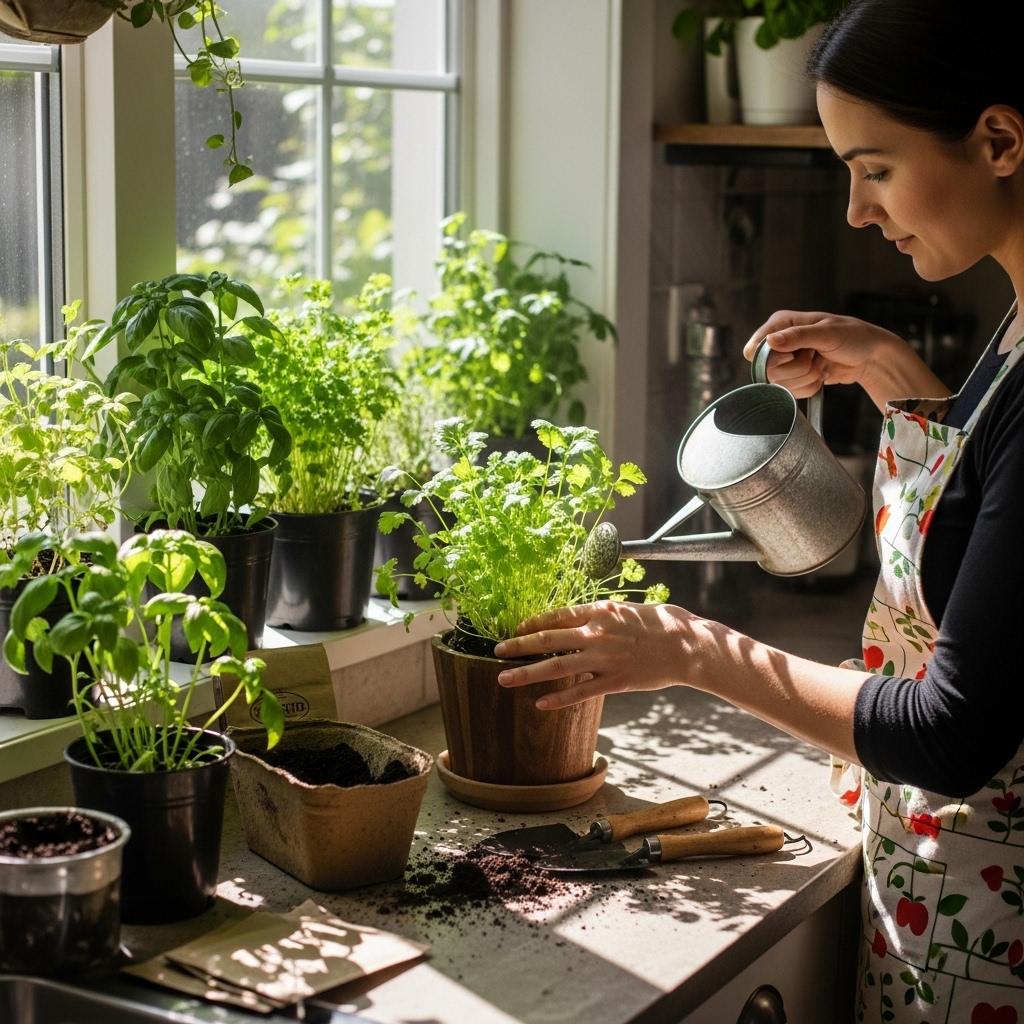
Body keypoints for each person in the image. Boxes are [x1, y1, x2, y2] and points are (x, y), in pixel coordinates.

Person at [492, 1, 1024, 1020]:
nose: (858, 212)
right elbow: (983, 513)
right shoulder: (1012, 328)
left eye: (873, 167)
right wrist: (895, 373)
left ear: (999, 140)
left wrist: (695, 650)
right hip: (944, 891)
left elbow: (952, 732)